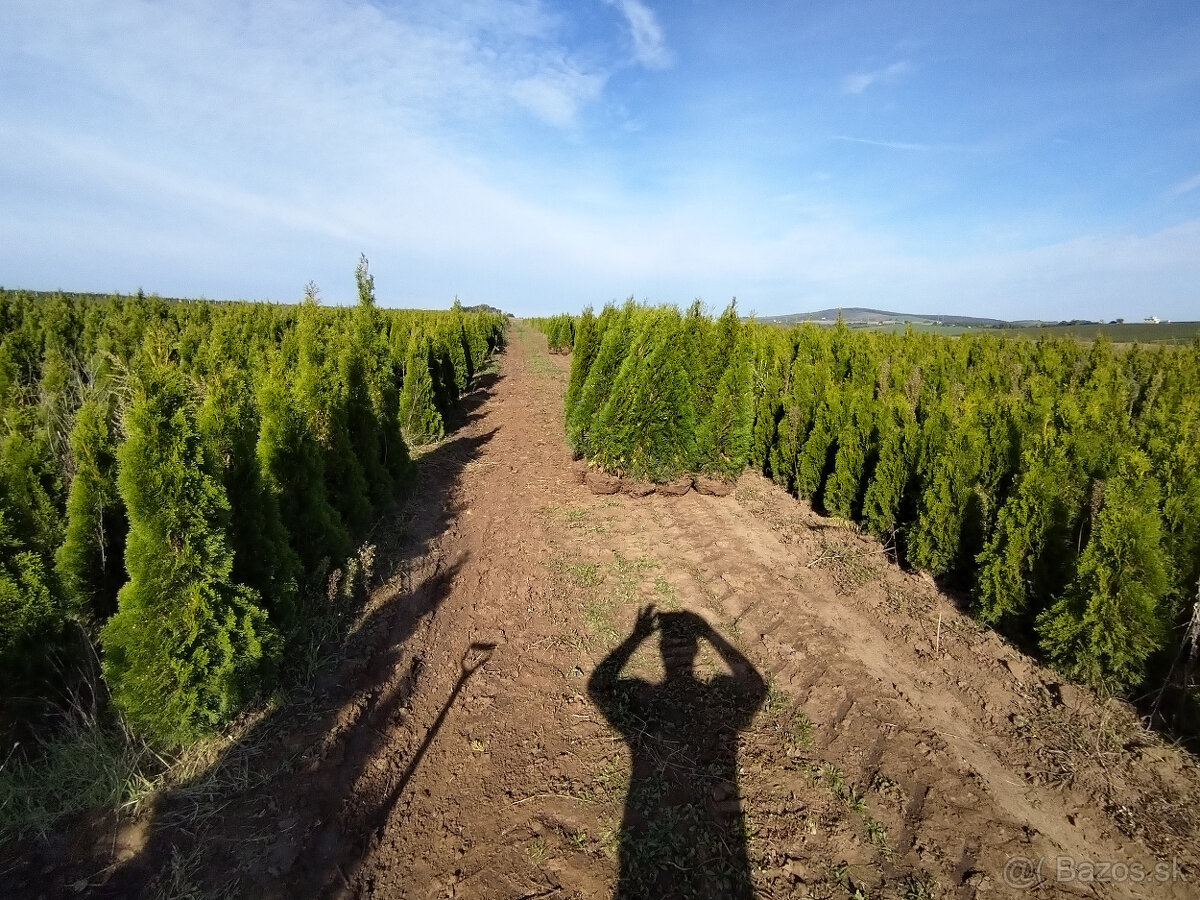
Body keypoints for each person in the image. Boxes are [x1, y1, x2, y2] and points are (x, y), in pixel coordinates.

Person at [588, 605, 766, 899]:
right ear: (697, 652)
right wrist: (710, 633)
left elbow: (598, 686)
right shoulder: (710, 699)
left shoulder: (645, 698)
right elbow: (755, 687)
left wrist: (635, 638)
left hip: (645, 832)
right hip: (717, 838)